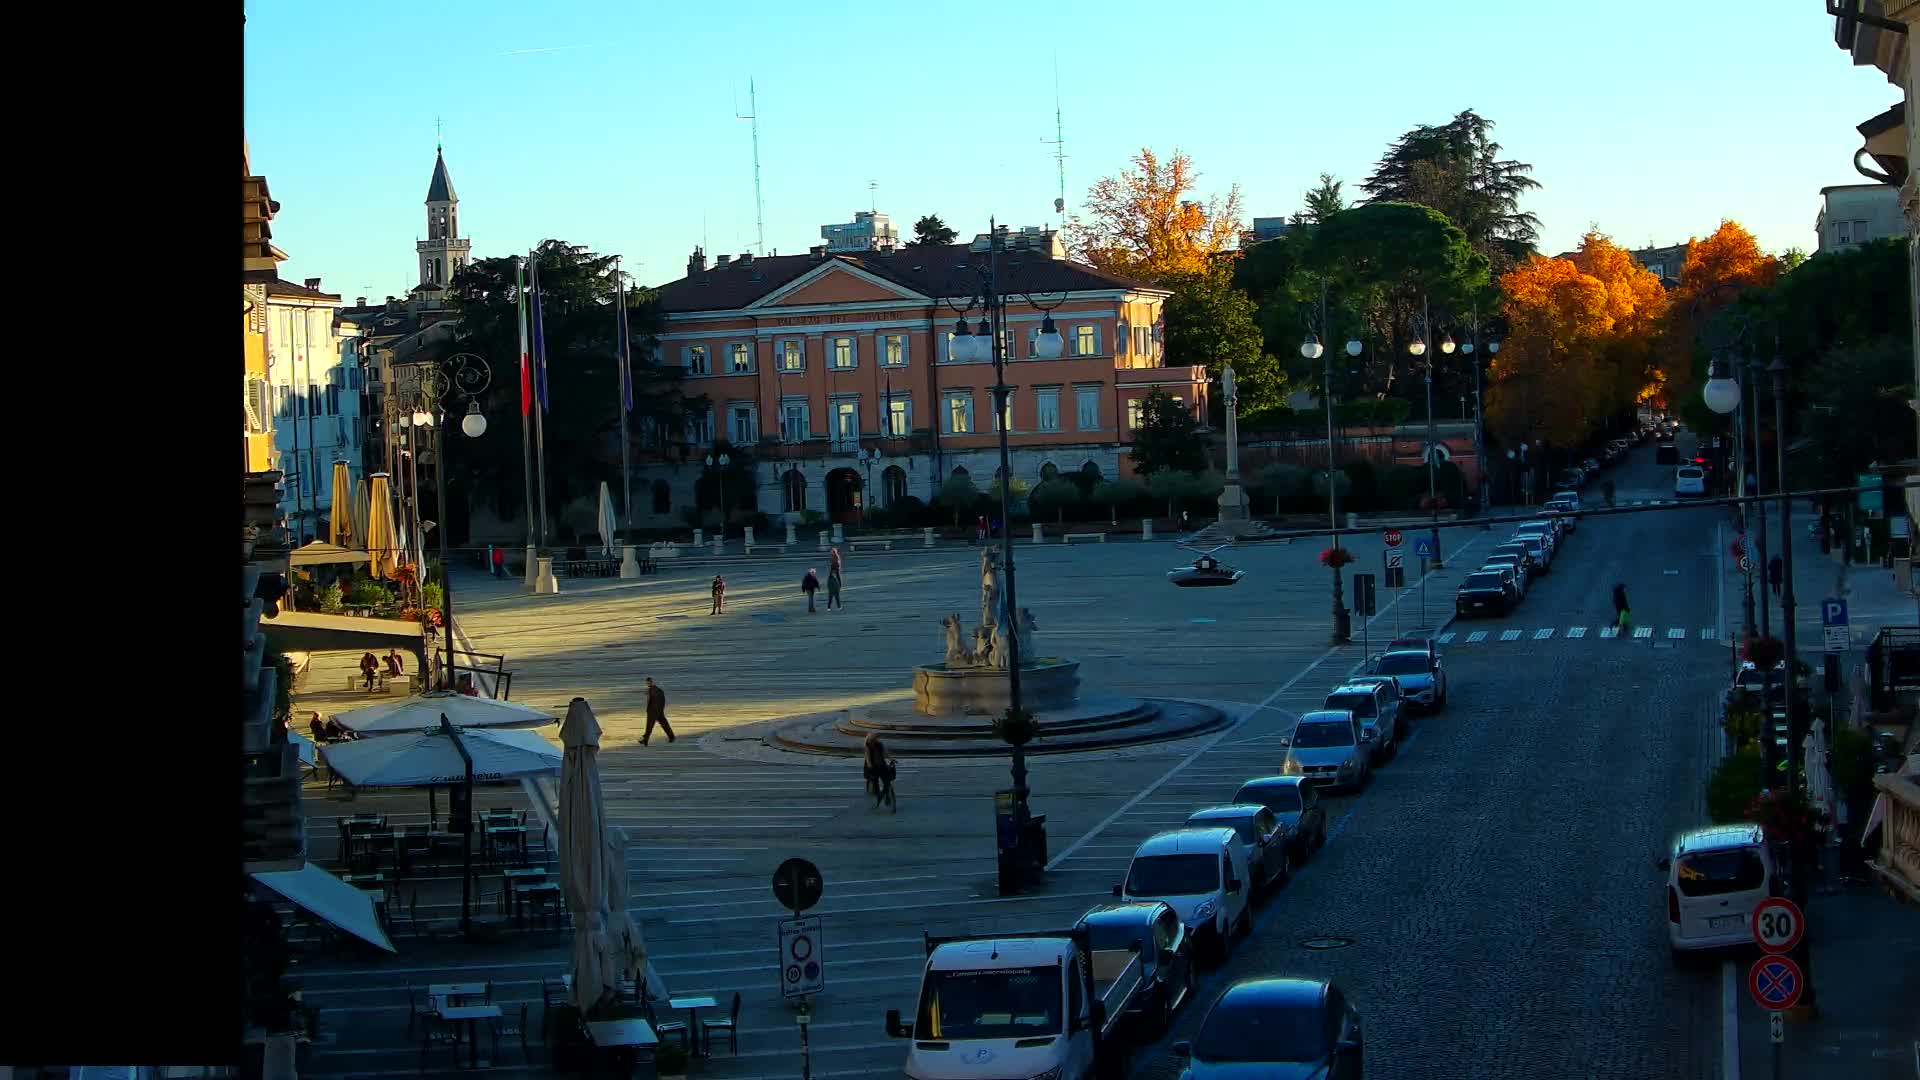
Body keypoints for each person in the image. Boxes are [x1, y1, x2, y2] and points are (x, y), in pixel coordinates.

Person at [863, 733, 896, 808]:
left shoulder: (880, 744)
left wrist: (891, 758)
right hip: (873, 766)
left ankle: (886, 795)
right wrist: (870, 766)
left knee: (886, 780)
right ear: (871, 739)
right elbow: (867, 758)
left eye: (877, 738)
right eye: (876, 738)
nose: (877, 739)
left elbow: (885, 752)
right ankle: (878, 795)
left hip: (881, 765)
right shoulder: (868, 746)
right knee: (875, 781)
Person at [642, 676, 675, 745]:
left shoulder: (650, 690)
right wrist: (661, 709)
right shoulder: (659, 690)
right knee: (664, 724)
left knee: (649, 726)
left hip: (652, 711)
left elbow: (648, 700)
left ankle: (645, 740)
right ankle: (671, 737)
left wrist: (649, 710)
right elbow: (663, 700)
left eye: (648, 682)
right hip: (659, 711)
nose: (647, 684)